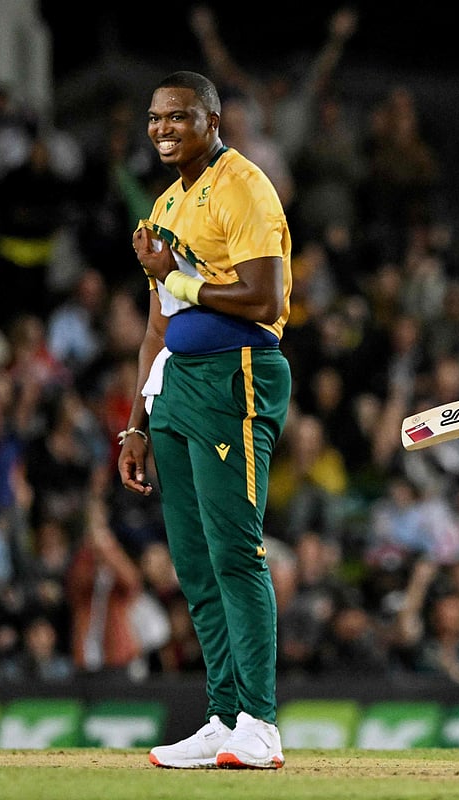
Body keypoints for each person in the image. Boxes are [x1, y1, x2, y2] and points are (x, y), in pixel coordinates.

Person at [118, 71, 292, 770]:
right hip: (176, 386)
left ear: (211, 121)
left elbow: (264, 294)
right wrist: (133, 423)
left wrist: (178, 274)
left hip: (237, 376)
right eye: (156, 117)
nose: (163, 127)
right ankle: (223, 716)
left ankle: (261, 723)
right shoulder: (164, 203)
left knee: (235, 551)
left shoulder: (243, 183)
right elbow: (157, 327)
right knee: (193, 562)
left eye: (179, 116)